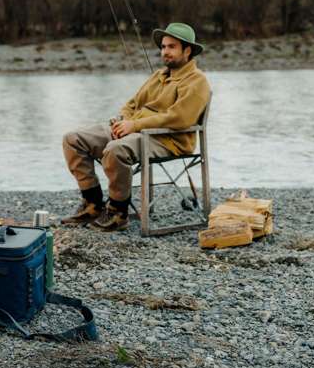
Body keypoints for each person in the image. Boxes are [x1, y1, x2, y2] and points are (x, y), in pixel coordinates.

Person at [61, 22, 211, 231]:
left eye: (172, 47)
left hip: (169, 140)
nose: (165, 51)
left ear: (187, 50)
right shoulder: (158, 76)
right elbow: (132, 104)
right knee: (72, 139)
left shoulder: (197, 81)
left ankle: (118, 212)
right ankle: (93, 203)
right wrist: (121, 119)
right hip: (136, 130)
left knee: (116, 150)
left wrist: (135, 125)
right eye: (164, 46)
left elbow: (180, 118)